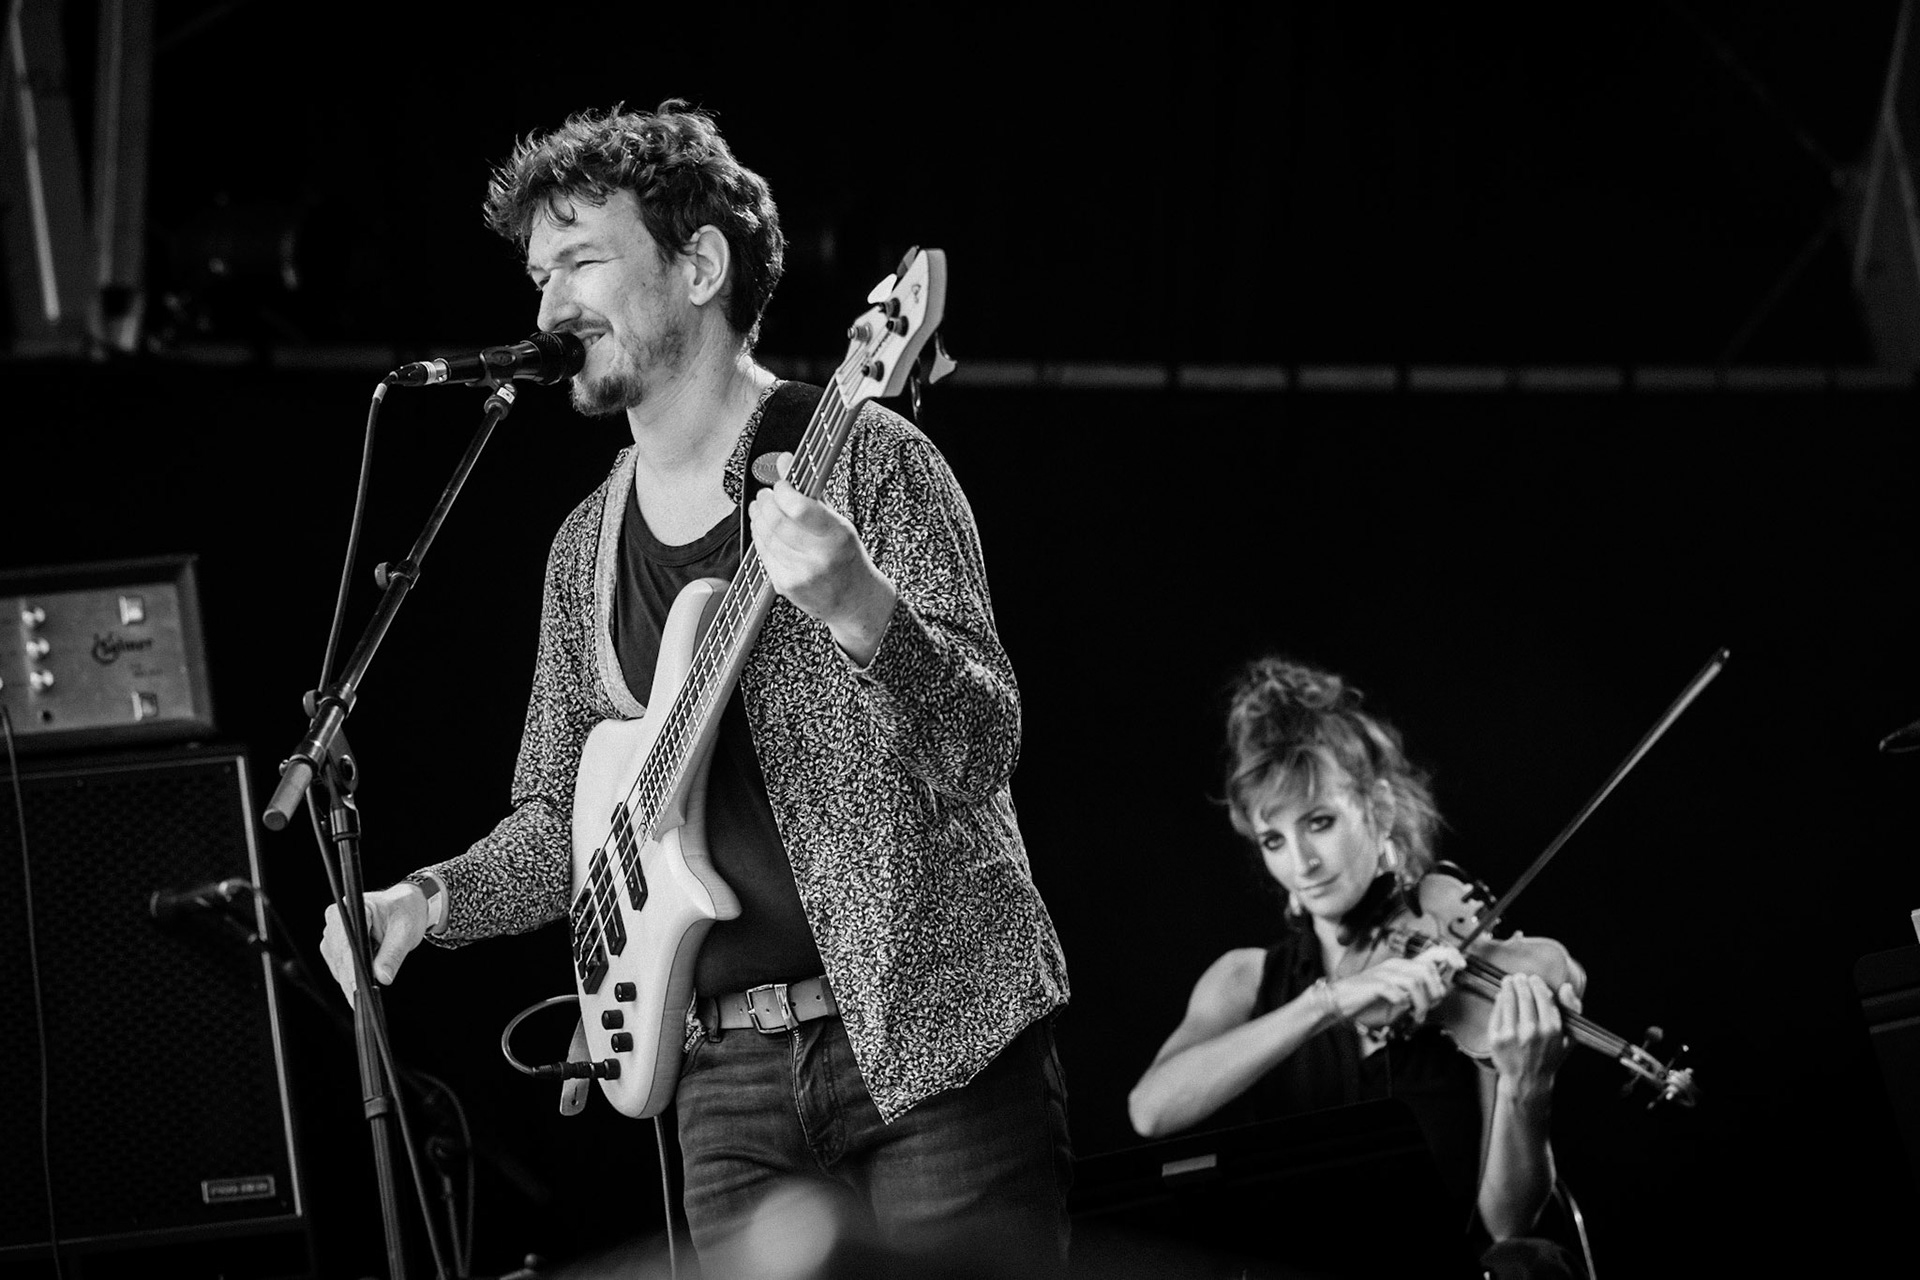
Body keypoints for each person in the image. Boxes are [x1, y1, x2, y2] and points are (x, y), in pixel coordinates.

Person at [318, 100, 1071, 1276]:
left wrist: (862, 611)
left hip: (933, 1045)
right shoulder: (585, 545)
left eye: (581, 259)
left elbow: (982, 744)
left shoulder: (869, 456)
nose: (547, 306)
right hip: (721, 1087)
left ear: (701, 263)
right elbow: (563, 819)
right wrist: (428, 899)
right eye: (535, 273)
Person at [1127, 657, 1581, 1276]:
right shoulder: (1245, 978)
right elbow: (1150, 1110)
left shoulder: (1464, 972)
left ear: (1379, 810)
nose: (1302, 863)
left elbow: (1508, 1223)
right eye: (1274, 840)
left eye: (1320, 822)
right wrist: (1328, 1001)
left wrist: (1528, 1089)